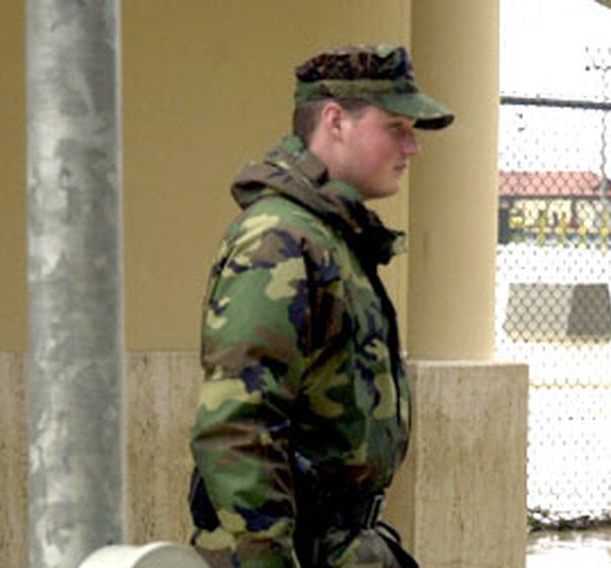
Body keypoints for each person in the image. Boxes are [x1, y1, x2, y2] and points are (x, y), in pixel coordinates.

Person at [188, 44, 454, 568]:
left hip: (343, 547)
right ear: (336, 121)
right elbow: (239, 425)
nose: (412, 147)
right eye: (397, 127)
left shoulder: (331, 237)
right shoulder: (278, 239)